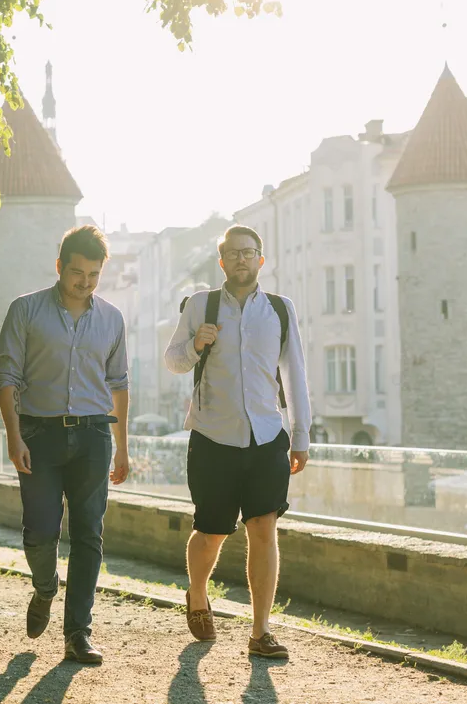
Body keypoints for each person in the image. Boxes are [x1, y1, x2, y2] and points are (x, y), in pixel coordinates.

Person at [164, 224, 311, 660]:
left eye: (250, 252)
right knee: (210, 533)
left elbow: (296, 374)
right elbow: (172, 361)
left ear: (261, 260)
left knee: (264, 528)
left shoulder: (281, 311)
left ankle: (261, 632)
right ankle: (196, 594)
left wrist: (300, 435)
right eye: (233, 253)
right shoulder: (200, 305)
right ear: (222, 261)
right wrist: (195, 343)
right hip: (213, 436)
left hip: (267, 436)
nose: (242, 259)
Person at [0, 225, 129, 666]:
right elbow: (7, 378)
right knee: (40, 531)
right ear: (59, 266)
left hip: (93, 435)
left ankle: (78, 633)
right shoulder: (25, 310)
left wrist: (121, 446)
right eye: (77, 272)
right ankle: (45, 586)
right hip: (39, 435)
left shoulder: (112, 318)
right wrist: (14, 437)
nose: (85, 281)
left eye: (93, 274)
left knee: (89, 533)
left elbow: (119, 384)